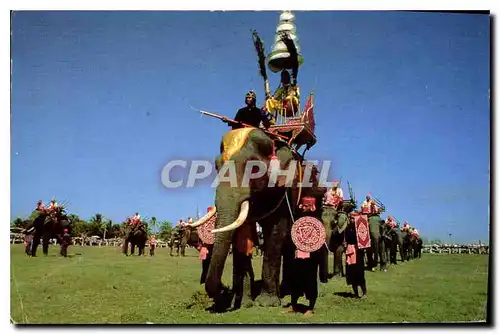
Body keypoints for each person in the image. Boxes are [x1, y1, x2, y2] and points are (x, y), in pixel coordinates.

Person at [345, 215, 367, 299]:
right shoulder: (347, 228)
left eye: (353, 218)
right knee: (351, 272)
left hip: (358, 252)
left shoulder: (361, 228)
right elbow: (346, 239)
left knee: (360, 273)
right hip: (350, 251)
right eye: (350, 218)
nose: (351, 220)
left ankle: (364, 292)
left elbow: (364, 240)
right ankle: (356, 293)